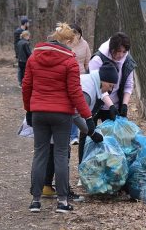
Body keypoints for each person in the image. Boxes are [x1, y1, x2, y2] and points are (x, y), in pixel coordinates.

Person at [22, 22, 97, 213]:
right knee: (61, 154)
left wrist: (29, 110)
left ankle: (36, 201)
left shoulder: (34, 57)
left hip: (39, 112)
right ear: (67, 40)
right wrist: (88, 117)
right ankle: (62, 201)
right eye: (72, 42)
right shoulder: (70, 61)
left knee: (40, 153)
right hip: (62, 114)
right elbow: (75, 92)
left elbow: (27, 86)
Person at [45, 61, 118, 190]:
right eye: (111, 86)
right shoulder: (88, 90)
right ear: (105, 81)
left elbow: (102, 91)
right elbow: (75, 114)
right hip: (58, 116)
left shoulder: (93, 80)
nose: (111, 90)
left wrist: (111, 105)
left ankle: (46, 186)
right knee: (62, 153)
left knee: (52, 149)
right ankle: (64, 192)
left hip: (50, 110)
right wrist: (91, 132)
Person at [89, 32, 137, 123]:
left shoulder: (127, 60)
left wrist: (124, 105)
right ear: (112, 49)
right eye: (118, 51)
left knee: (113, 135)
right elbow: (97, 86)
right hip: (94, 104)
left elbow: (128, 85)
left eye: (124, 52)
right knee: (90, 134)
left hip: (115, 104)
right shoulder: (98, 59)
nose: (121, 55)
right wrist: (110, 105)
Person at [68, 24, 92, 145]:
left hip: (82, 77)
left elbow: (88, 62)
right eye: (73, 33)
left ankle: (74, 135)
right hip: (68, 77)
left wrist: (89, 76)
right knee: (70, 106)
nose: (75, 36)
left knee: (76, 107)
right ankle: (70, 133)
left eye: (77, 33)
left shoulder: (85, 44)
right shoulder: (67, 43)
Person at [14, 17, 29, 87]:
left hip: (25, 53)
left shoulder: (26, 30)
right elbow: (16, 44)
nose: (29, 24)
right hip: (20, 54)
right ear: (25, 23)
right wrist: (17, 54)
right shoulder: (17, 31)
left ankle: (24, 82)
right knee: (21, 69)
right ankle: (20, 82)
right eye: (28, 22)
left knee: (24, 68)